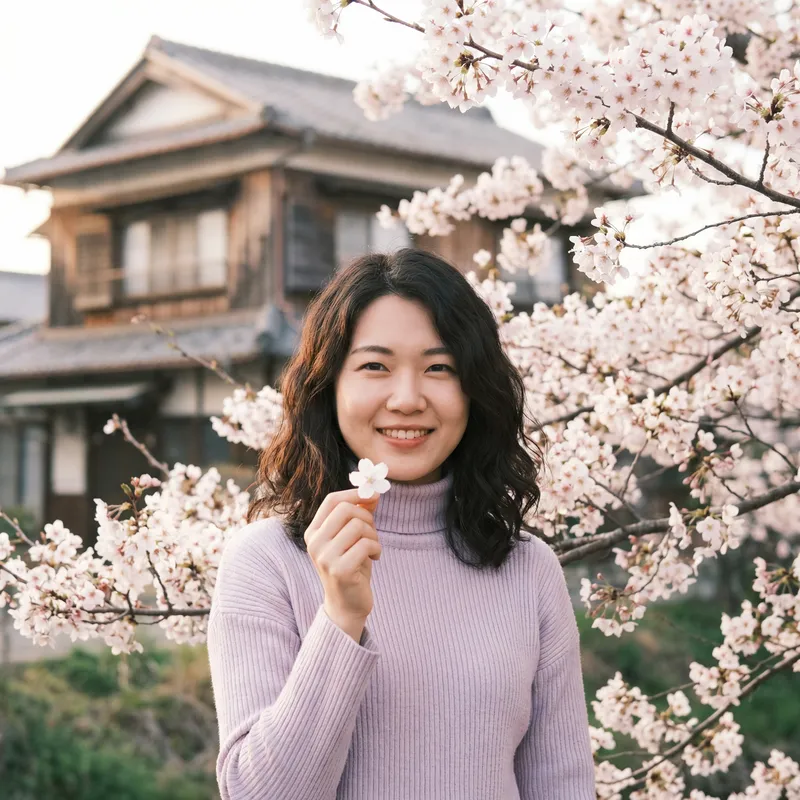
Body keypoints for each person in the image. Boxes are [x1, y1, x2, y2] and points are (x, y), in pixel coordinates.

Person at [206, 248, 596, 799]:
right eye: (375, 366)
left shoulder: (528, 568)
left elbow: (563, 786)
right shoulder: (266, 561)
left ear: (474, 389)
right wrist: (341, 615)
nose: (408, 398)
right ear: (329, 386)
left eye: (440, 368)